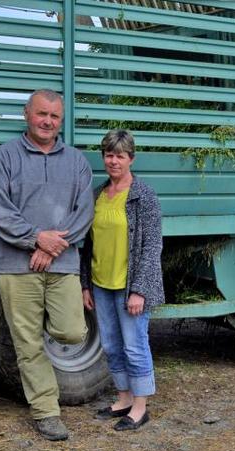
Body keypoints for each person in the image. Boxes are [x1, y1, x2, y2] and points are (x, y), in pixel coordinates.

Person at [0, 89, 94, 441]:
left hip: (61, 265)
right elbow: (0, 213)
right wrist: (36, 238)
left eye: (55, 116)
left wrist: (49, 246)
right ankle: (47, 412)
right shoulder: (4, 157)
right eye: (41, 114)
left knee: (73, 331)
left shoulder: (76, 161)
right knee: (27, 345)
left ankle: (40, 323)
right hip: (17, 267)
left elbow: (85, 212)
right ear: (26, 114)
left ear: (61, 120)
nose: (48, 122)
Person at [81, 129, 164, 431]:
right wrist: (85, 284)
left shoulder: (144, 196)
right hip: (102, 284)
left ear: (131, 158)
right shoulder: (98, 195)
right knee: (112, 345)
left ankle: (140, 407)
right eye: (109, 154)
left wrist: (140, 290)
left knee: (134, 345)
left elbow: (153, 245)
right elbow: (87, 245)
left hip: (130, 288)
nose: (113, 161)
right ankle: (124, 398)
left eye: (120, 155)